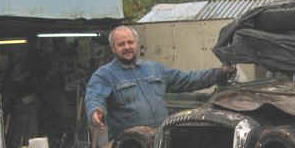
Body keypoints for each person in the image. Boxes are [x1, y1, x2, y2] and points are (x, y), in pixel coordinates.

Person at [85, 26, 235, 140]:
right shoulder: (104, 75)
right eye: (121, 44)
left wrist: (219, 73)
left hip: (161, 139)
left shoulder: (154, 69)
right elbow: (95, 96)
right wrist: (96, 111)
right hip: (131, 145)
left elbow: (188, 79)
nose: (127, 47)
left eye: (130, 42)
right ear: (113, 48)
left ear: (137, 44)